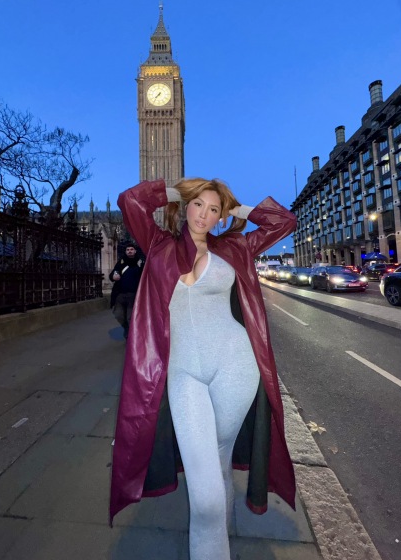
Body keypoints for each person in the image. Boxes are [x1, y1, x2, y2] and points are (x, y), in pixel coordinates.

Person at [110, 178, 297, 560]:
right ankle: (216, 528)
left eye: (214, 210)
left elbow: (284, 222)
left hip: (236, 365)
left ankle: (217, 538)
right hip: (184, 375)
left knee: (219, 460)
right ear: (186, 206)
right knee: (206, 497)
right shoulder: (158, 243)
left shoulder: (234, 246)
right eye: (198, 205)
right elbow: (130, 200)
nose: (204, 215)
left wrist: (236, 208)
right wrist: (178, 192)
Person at [109, 244, 143, 339]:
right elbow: (113, 273)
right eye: (128, 249)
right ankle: (127, 328)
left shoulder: (140, 263)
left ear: (135, 251)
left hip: (133, 295)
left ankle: (130, 337)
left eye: (131, 249)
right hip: (120, 294)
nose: (129, 251)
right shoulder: (121, 262)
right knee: (118, 315)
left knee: (130, 317)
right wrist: (113, 276)